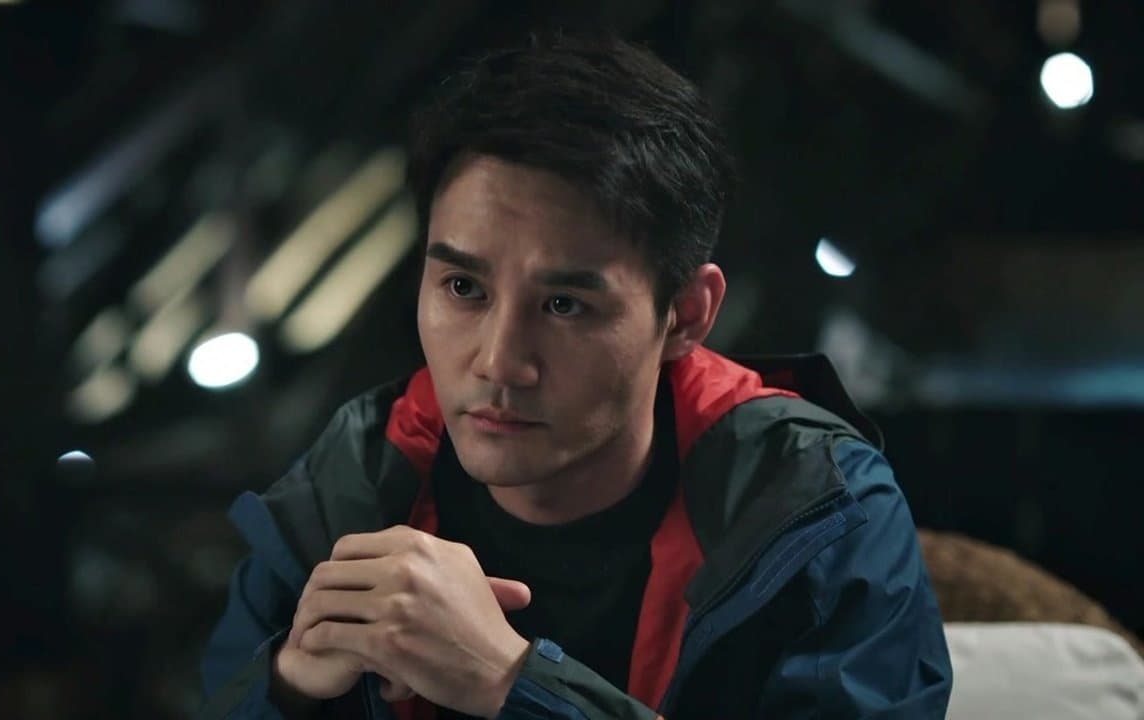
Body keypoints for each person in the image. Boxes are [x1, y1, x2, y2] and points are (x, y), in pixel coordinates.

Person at [200, 31, 952, 720]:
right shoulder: (352, 483)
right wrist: (285, 688)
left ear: (685, 316)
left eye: (564, 305)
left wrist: (511, 681)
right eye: (463, 288)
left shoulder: (818, 510)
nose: (499, 361)